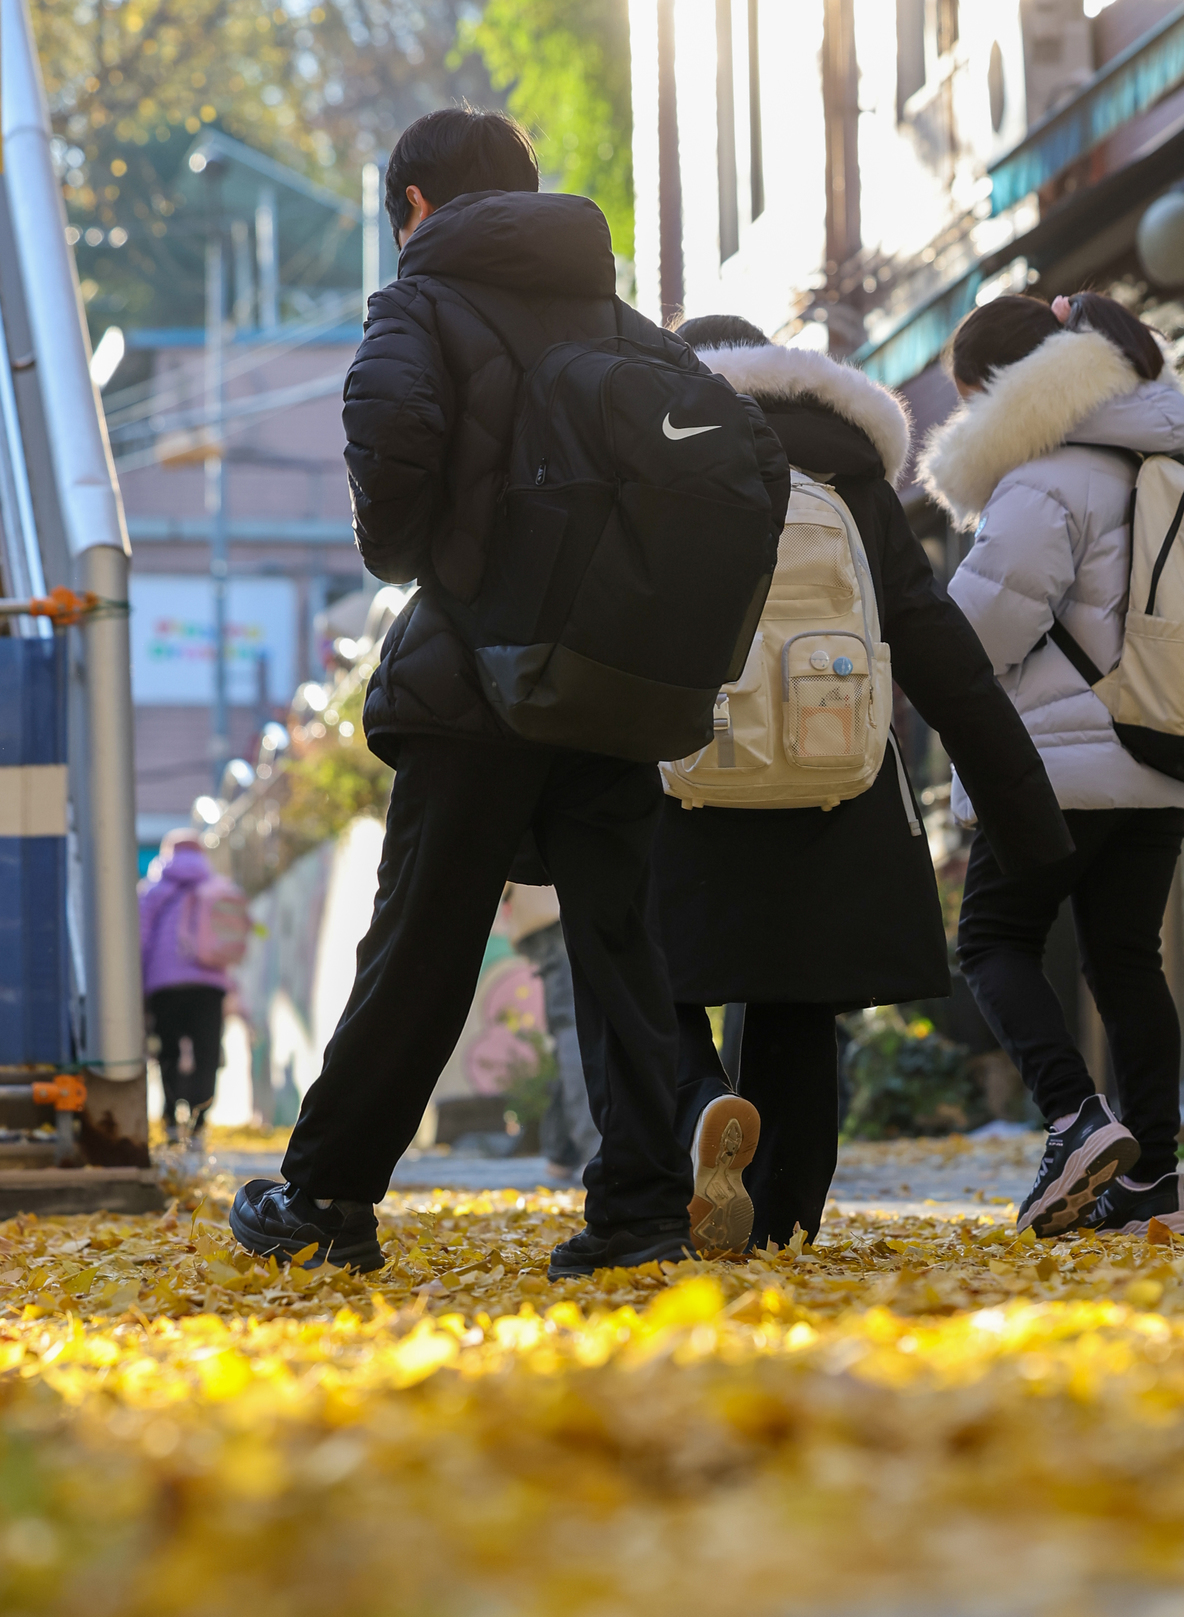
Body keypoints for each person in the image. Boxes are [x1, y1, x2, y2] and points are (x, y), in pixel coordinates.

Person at [229, 109, 780, 1277]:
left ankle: (326, 1198)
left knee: (421, 943)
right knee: (622, 944)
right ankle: (636, 1208)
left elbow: (390, 470)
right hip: (613, 680)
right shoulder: (625, 324)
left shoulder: (417, 307)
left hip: (477, 682)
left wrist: (444, 557)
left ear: (416, 207)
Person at [651, 315, 1074, 1254]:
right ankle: (784, 1224)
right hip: (829, 774)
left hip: (686, 768)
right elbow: (942, 656)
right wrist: (1028, 819)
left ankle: (696, 1108)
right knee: (795, 1000)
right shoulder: (855, 479)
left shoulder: (660, 460)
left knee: (654, 977)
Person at [922, 291, 1184, 1237]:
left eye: (970, 398)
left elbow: (983, 633)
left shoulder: (1043, 480)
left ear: (1001, 390)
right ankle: (1155, 1185)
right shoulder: (1172, 463)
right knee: (1128, 958)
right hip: (1162, 751)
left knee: (992, 941)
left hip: (1056, 760)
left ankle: (1073, 1118)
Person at [138, 830, 238, 1146]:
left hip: (164, 984)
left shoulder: (153, 891)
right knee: (207, 1051)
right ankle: (198, 1123)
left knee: (167, 1051)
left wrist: (141, 987)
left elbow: (140, 939)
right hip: (208, 983)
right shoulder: (217, 887)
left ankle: (170, 1118)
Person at [499, 879, 601, 1179]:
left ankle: (563, 1150)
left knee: (572, 1030)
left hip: (545, 905)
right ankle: (595, 1151)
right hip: (556, 901)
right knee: (577, 1028)